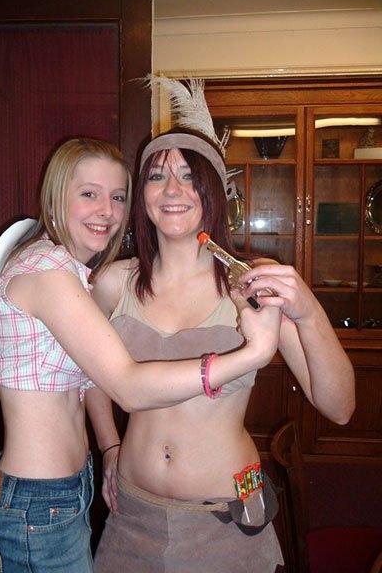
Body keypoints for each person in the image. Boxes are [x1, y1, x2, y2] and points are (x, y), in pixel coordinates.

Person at [0, 136, 283, 573]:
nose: (106, 211)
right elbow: (127, 387)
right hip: (38, 504)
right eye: (88, 194)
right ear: (55, 198)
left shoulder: (64, 273)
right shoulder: (49, 275)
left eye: (116, 197)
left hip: (49, 495)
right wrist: (252, 354)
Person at [89, 127, 356, 573]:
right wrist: (109, 445)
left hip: (226, 518)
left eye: (189, 176)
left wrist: (308, 311)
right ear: (142, 196)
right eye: (157, 176)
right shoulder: (114, 283)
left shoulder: (251, 282)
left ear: (214, 190)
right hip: (132, 516)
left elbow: (340, 407)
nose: (172, 190)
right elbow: (90, 374)